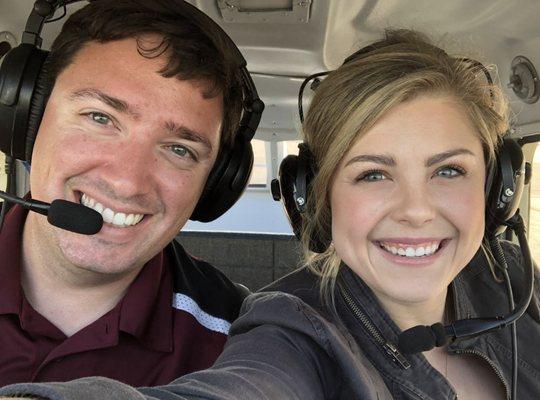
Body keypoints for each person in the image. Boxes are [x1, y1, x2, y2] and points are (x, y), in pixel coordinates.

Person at [2, 28, 540, 400]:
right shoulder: (290, 327)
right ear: (316, 200)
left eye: (449, 171)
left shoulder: (511, 277)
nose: (417, 210)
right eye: (373, 174)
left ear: (499, 189)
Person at [0, 0, 262, 387]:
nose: (127, 182)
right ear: (28, 120)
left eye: (179, 149)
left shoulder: (248, 345)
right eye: (100, 118)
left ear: (212, 185)